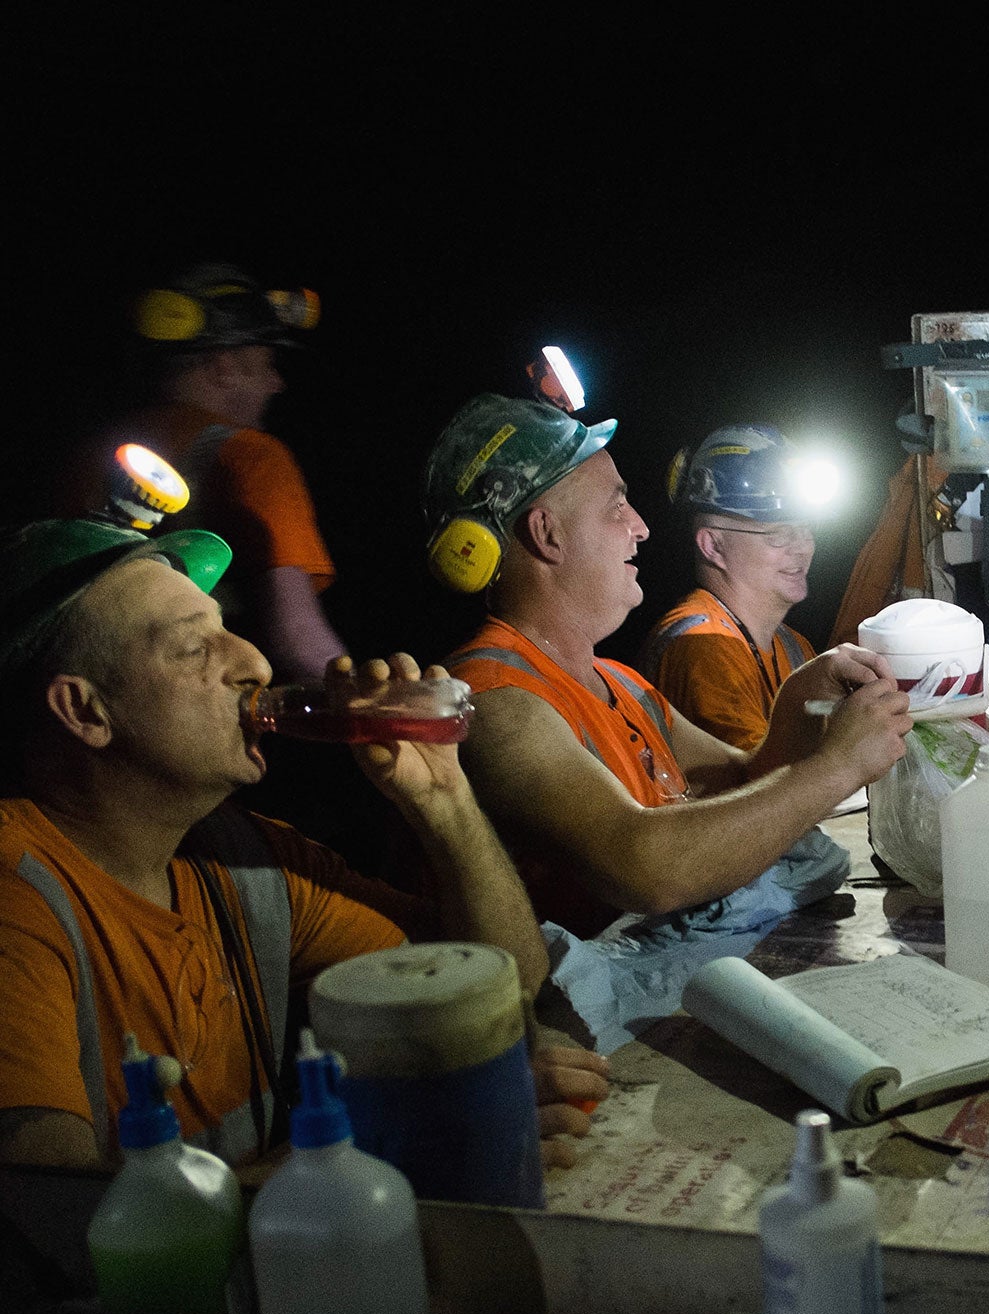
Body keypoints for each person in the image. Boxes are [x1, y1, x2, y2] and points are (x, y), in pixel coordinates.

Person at [0, 519, 607, 1170]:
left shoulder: (243, 860)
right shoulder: (17, 898)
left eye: (224, 629)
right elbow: (54, 1234)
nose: (255, 663)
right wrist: (399, 1137)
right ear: (85, 711)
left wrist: (442, 799)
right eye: (194, 649)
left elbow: (497, 981)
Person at [421, 395, 911, 944]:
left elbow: (745, 781)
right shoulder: (491, 702)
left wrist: (802, 698)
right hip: (556, 1017)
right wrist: (839, 767)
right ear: (547, 534)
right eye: (616, 507)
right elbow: (643, 868)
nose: (641, 528)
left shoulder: (619, 683)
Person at [92, 264, 347, 681]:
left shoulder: (89, 452)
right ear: (224, 366)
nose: (276, 383)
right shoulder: (251, 457)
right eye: (266, 363)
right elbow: (297, 641)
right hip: (193, 716)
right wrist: (377, 705)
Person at [641, 425, 819, 751]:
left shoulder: (794, 646)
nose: (802, 548)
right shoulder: (702, 645)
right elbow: (763, 787)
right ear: (713, 546)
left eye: (805, 529)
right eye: (778, 533)